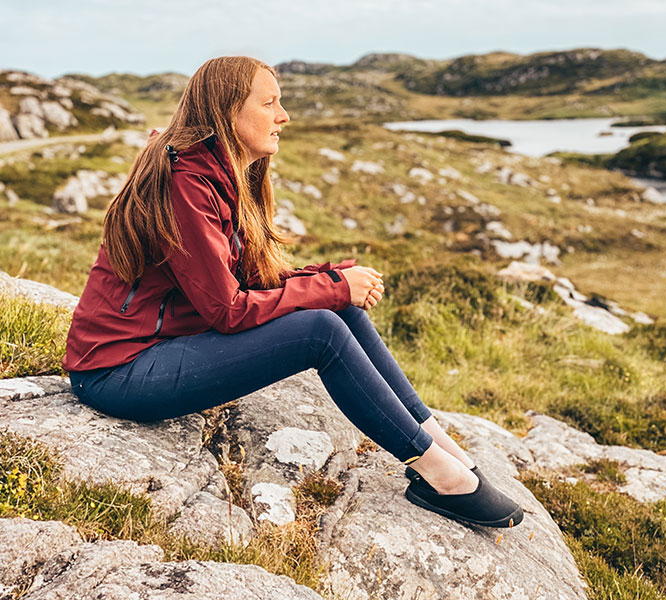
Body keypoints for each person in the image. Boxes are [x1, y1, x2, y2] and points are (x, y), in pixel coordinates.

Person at [62, 56, 523, 529]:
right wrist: (330, 289)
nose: (284, 116)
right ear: (227, 113)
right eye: (270, 104)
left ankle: (438, 441)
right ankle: (439, 476)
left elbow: (246, 279)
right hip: (116, 371)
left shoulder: (223, 172)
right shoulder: (186, 182)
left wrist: (330, 280)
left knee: (340, 310)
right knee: (319, 328)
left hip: (165, 346)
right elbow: (228, 310)